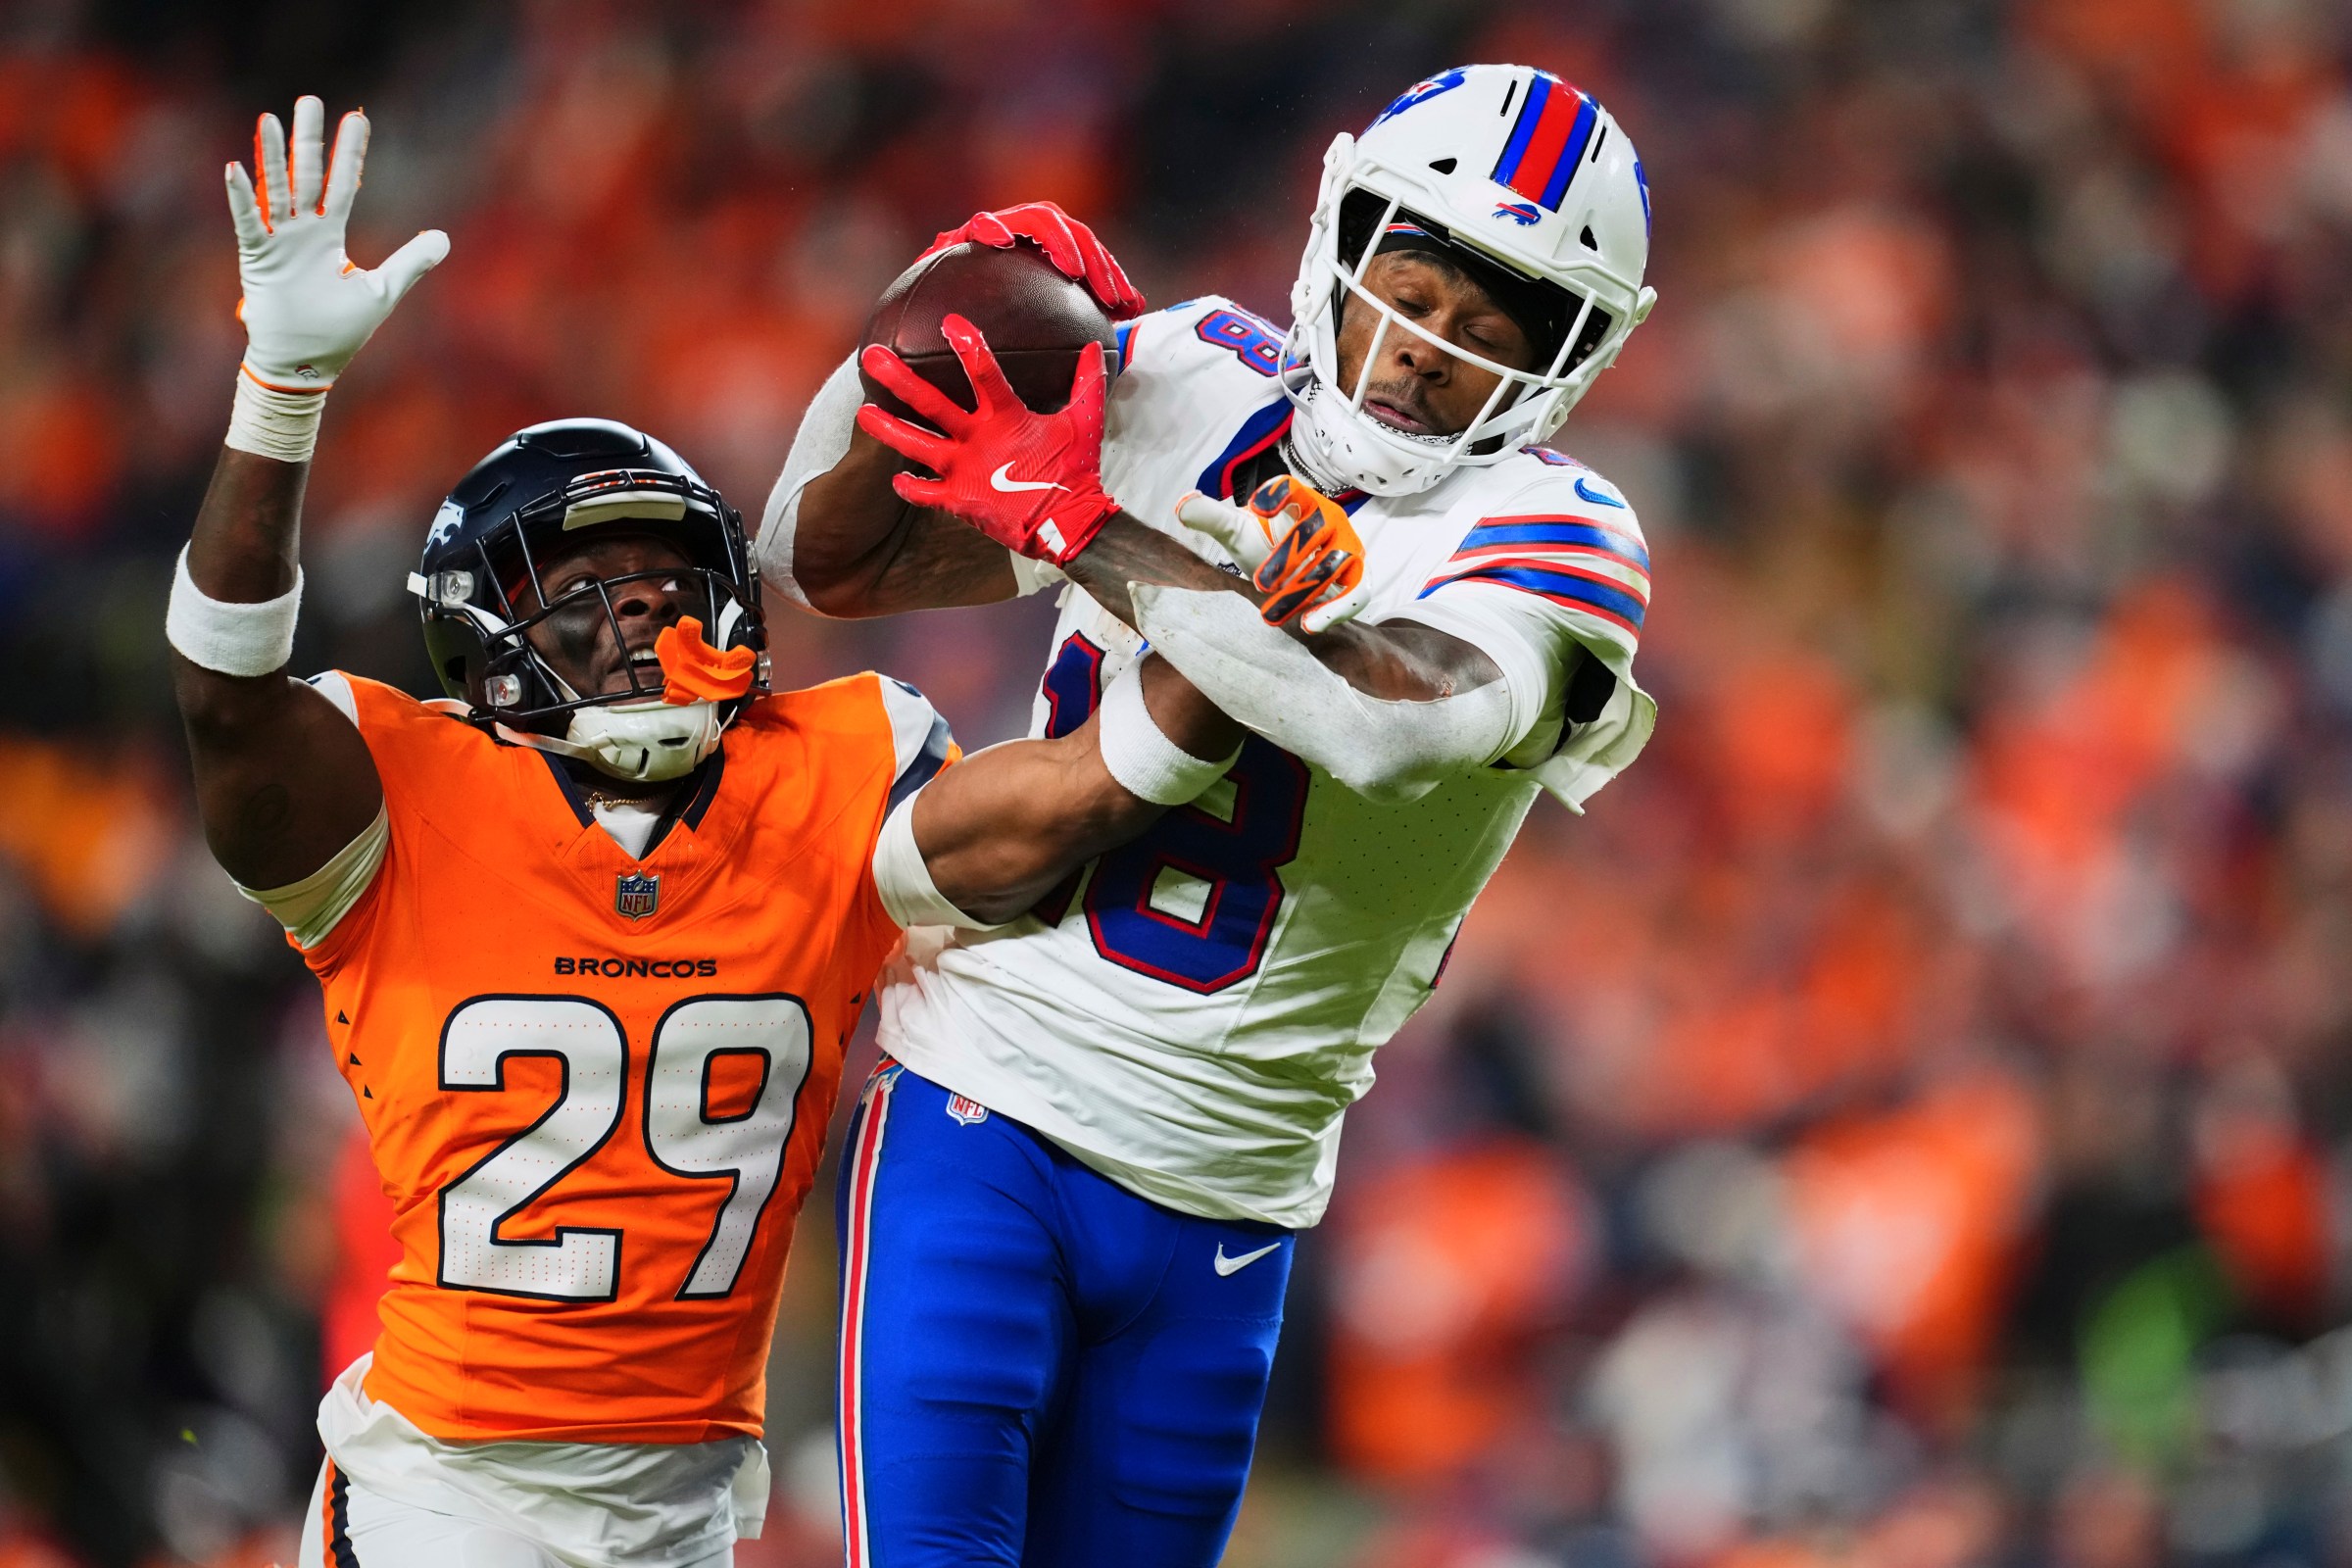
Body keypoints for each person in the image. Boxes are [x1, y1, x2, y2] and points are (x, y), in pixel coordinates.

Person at [169, 99, 1235, 1568]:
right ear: (482, 637)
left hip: (691, 1500)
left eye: (665, 575)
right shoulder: (400, 798)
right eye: (581, 585)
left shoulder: (834, 771)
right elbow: (227, 702)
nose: (638, 612)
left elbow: (1096, 786)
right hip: (448, 1491)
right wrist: (280, 392)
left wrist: (1217, 564)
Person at [763, 63, 1660, 1568]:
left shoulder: (1561, 537)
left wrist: (1085, 528)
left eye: (1489, 332)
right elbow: (823, 557)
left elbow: (1391, 717)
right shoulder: (1188, 372)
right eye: (1410, 287)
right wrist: (920, 341)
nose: (1427, 351)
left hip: (1231, 1200)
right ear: (1339, 241)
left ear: (1570, 362)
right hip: (982, 1109)